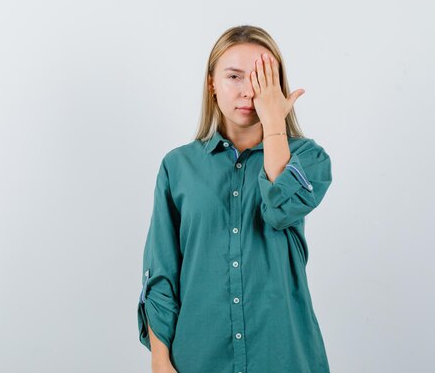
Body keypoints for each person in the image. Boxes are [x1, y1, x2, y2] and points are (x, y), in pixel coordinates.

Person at [137, 24, 333, 373]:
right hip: (198, 359)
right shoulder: (177, 167)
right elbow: (161, 272)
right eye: (235, 77)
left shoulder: (309, 159)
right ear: (212, 83)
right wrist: (159, 359)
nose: (248, 92)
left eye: (261, 79)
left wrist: (275, 125)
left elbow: (279, 209)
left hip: (284, 356)